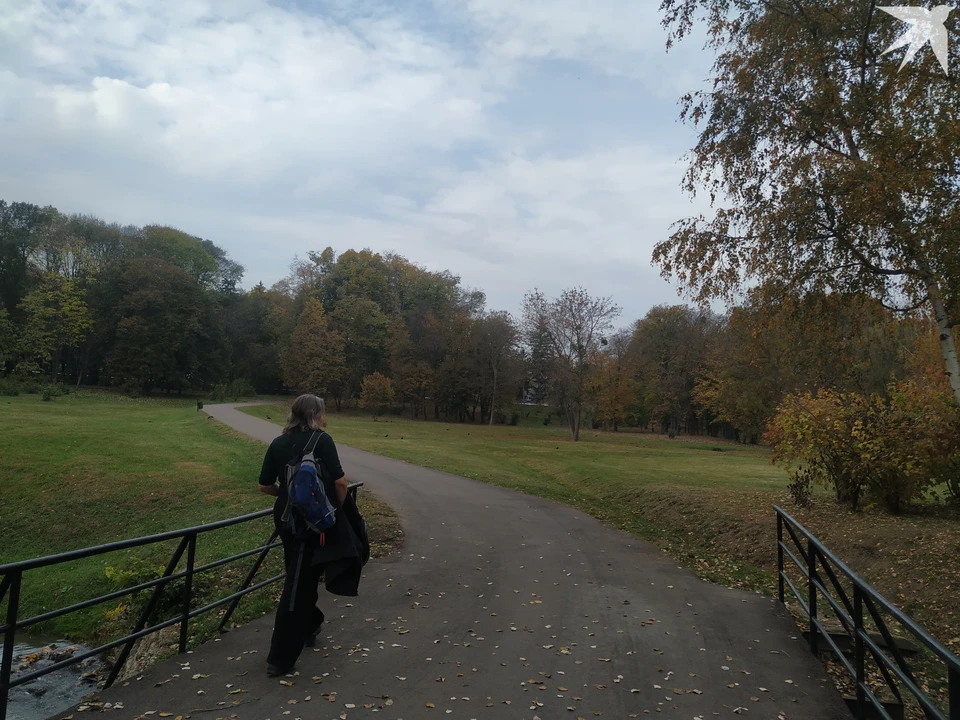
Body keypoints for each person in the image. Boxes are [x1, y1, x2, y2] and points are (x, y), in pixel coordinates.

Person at [258, 394, 348, 677]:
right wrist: (334, 510)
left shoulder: (278, 443)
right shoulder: (322, 441)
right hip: (312, 524)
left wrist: (287, 493)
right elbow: (340, 482)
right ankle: (280, 660)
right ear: (316, 415)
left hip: (285, 520)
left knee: (297, 574)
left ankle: (311, 625)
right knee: (298, 585)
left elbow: (264, 485)